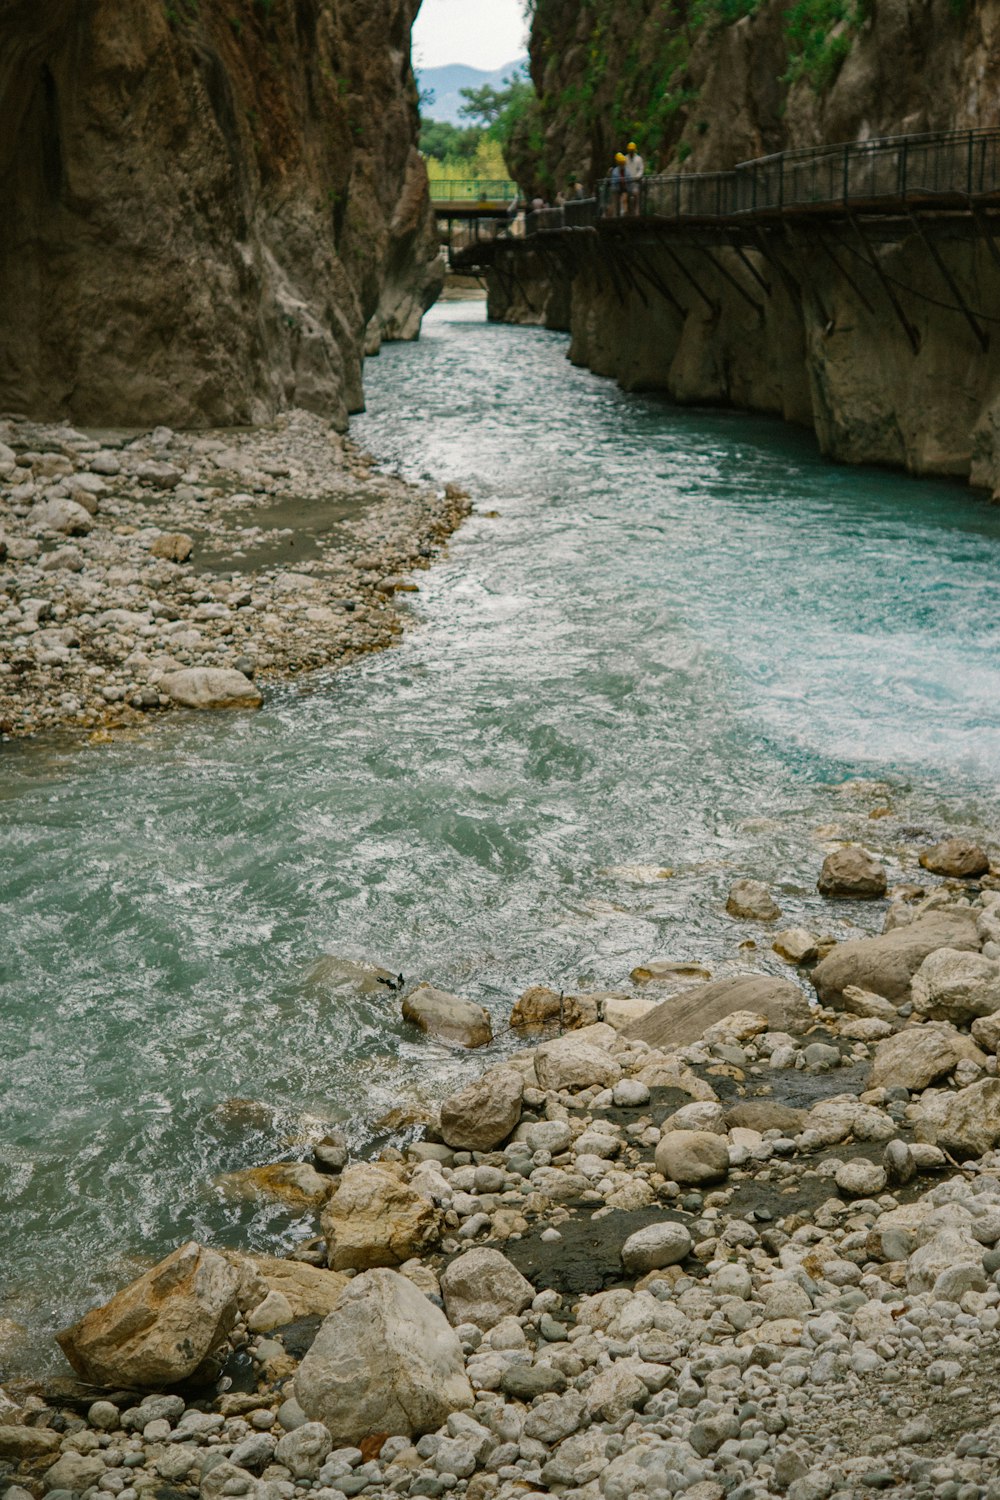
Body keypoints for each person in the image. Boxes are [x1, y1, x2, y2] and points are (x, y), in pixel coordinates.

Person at [624, 141, 645, 216]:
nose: (631, 151)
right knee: (626, 197)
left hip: (636, 181)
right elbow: (624, 169)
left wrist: (638, 176)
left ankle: (637, 213)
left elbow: (641, 169)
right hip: (628, 181)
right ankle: (626, 212)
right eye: (630, 150)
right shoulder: (625, 158)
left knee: (636, 196)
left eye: (632, 150)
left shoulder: (638, 159)